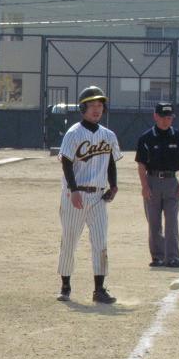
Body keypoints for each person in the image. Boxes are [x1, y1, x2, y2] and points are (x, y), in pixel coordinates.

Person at [56, 85, 123, 304]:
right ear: (83, 108)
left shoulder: (108, 135)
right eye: (92, 105)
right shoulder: (74, 133)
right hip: (74, 196)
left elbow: (111, 162)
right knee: (69, 241)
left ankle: (99, 289)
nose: (96, 109)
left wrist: (114, 186)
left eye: (100, 105)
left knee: (100, 242)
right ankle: (65, 286)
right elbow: (66, 162)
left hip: (98, 197)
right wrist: (74, 190)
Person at [135, 102, 179, 268]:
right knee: (154, 222)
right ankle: (158, 257)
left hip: (171, 182)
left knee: (172, 221)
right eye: (163, 117)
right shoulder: (146, 138)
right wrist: (144, 186)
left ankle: (173, 257)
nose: (166, 121)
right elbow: (141, 165)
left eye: (169, 118)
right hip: (152, 181)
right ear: (155, 116)